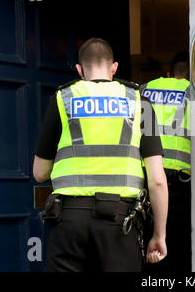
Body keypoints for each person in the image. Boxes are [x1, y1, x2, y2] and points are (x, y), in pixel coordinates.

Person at [33, 38, 168, 272]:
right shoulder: (138, 101)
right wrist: (159, 235)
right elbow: (157, 180)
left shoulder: (63, 99)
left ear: (79, 69)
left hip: (69, 223)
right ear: (114, 68)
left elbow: (39, 172)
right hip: (119, 224)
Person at [141, 52, 191, 272]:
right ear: (190, 75)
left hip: (146, 181)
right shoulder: (194, 93)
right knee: (178, 248)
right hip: (180, 185)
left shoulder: (143, 90)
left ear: (168, 73)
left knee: (146, 248)